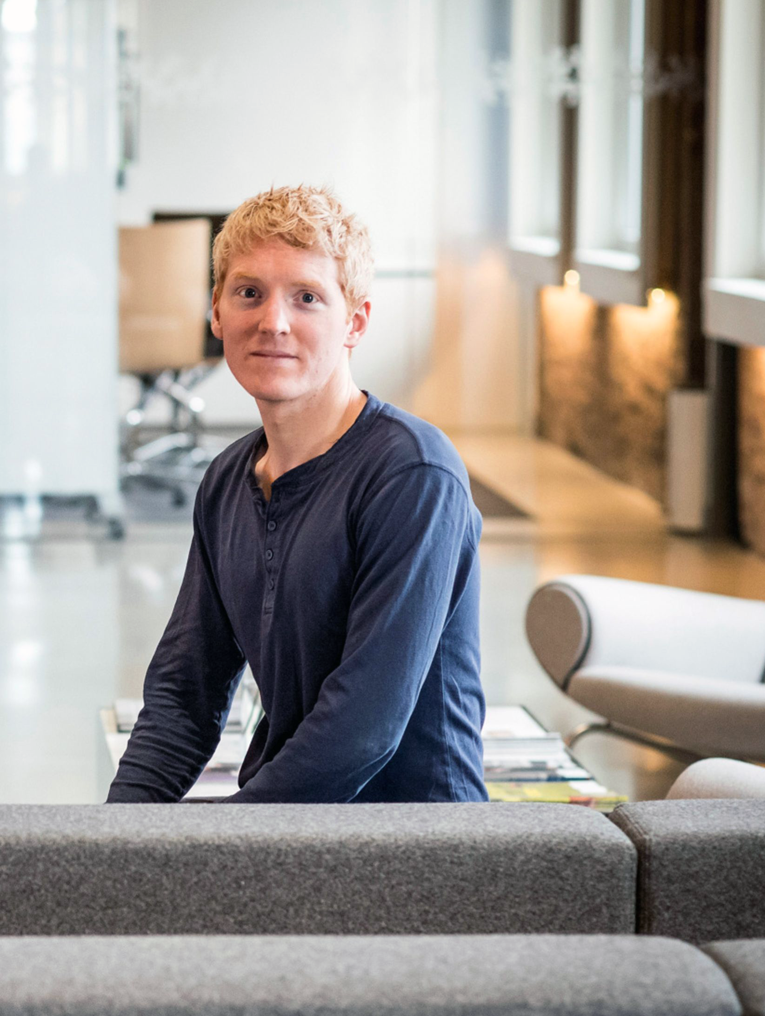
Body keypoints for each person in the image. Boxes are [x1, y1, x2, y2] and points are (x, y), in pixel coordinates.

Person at [108, 185, 487, 804]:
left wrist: (219, 842)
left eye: (306, 297)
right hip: (286, 825)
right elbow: (183, 698)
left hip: (414, 842)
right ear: (216, 312)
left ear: (355, 322)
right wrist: (113, 837)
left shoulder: (413, 474)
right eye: (248, 293)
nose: (273, 322)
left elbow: (362, 731)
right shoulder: (227, 480)